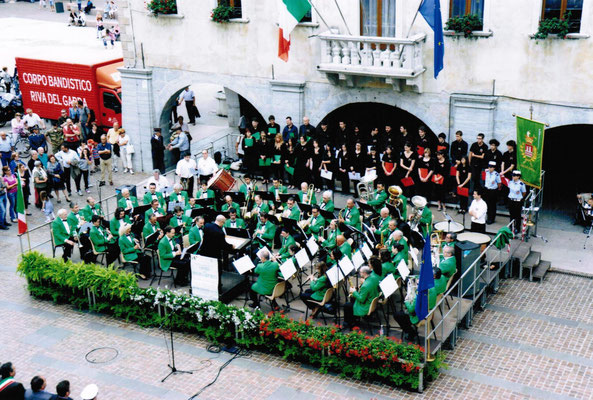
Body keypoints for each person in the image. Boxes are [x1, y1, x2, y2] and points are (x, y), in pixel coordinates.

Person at [343, 263, 381, 329]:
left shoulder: (365, 286)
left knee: (347, 305)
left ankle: (349, 323)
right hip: (372, 299)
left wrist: (354, 291)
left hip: (366, 306)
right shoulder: (374, 277)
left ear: (364, 273)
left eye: (360, 272)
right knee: (352, 300)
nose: (360, 274)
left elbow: (361, 299)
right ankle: (355, 318)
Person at [507, 170, 526, 235]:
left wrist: (519, 197)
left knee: (517, 215)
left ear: (518, 177)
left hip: (517, 201)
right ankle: (511, 226)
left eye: (514, 176)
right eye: (513, 175)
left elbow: (524, 192)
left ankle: (517, 228)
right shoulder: (510, 182)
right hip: (511, 200)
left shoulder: (521, 184)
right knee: (511, 214)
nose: (513, 177)